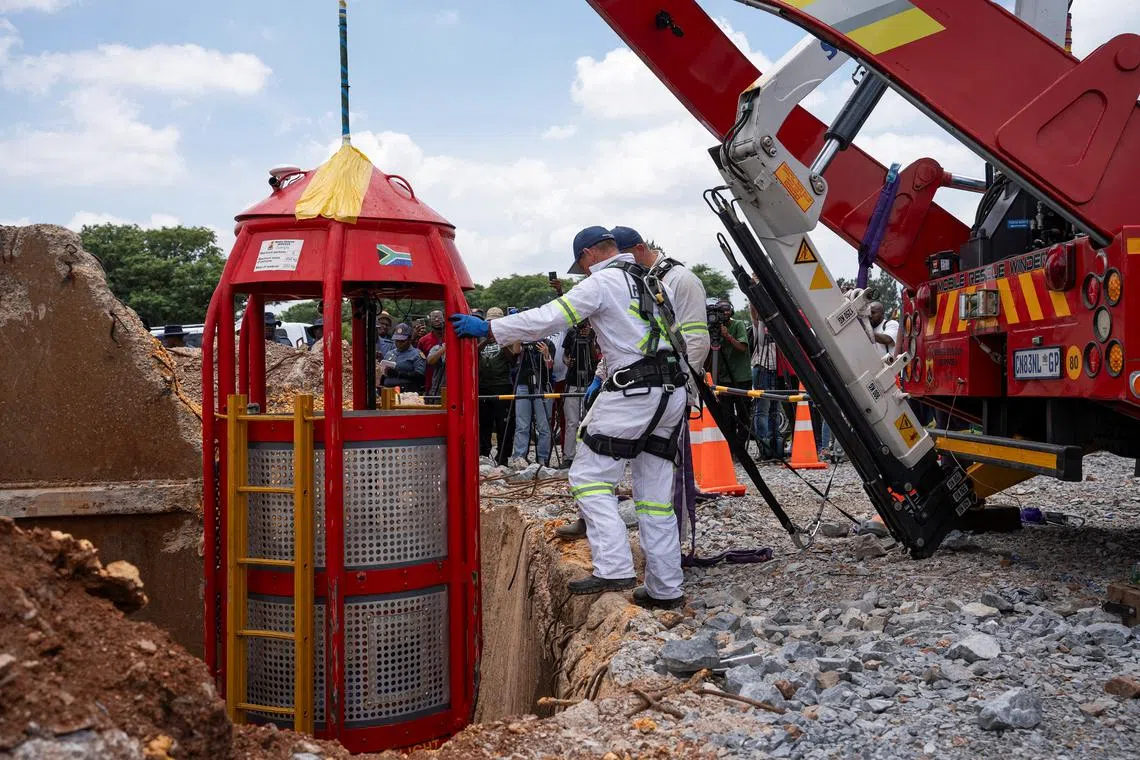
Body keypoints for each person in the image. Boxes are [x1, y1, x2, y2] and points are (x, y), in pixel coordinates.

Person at [450, 226, 688, 610]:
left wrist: (491, 329)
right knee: (655, 498)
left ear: (590, 254)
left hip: (634, 391)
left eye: (582, 264)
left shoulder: (602, 282)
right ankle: (666, 588)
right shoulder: (655, 281)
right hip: (671, 392)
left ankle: (613, 566)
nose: (583, 271)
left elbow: (550, 317)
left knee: (589, 476)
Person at [709, 299, 752, 448]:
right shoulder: (712, 328)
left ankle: (741, 447)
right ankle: (730, 448)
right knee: (726, 416)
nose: (724, 313)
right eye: (720, 311)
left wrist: (727, 336)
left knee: (743, 414)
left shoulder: (738, 324)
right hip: (723, 378)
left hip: (742, 377)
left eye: (727, 309)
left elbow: (742, 348)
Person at [478, 308, 518, 465]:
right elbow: (472, 355)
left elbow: (513, 360)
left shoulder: (507, 337)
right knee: (484, 423)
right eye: (490, 322)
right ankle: (483, 454)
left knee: (504, 424)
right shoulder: (478, 336)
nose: (492, 325)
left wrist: (500, 341)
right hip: (483, 386)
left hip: (502, 385)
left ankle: (503, 456)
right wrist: (485, 341)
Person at [510, 335, 556, 467]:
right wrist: (519, 337)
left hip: (542, 385)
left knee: (544, 425)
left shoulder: (548, 343)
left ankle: (543, 459)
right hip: (523, 384)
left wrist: (546, 354)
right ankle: (519, 457)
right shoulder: (523, 343)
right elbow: (515, 355)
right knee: (522, 424)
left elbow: (549, 367)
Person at [749, 303, 783, 461]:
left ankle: (775, 449)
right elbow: (754, 316)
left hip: (775, 370)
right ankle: (764, 448)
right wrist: (753, 299)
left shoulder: (778, 328)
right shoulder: (759, 326)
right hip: (762, 368)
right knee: (762, 410)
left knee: (774, 411)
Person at [379, 322, 425, 392]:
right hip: (387, 391)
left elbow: (420, 377)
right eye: (396, 340)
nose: (399, 343)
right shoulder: (390, 353)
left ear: (409, 339)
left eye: (402, 341)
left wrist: (399, 374)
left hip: (406, 391)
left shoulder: (416, 354)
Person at [418, 310, 446, 391]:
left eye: (439, 317)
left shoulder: (451, 337)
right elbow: (421, 362)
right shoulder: (423, 340)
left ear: (444, 319)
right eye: (434, 317)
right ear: (430, 321)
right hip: (430, 383)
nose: (437, 320)